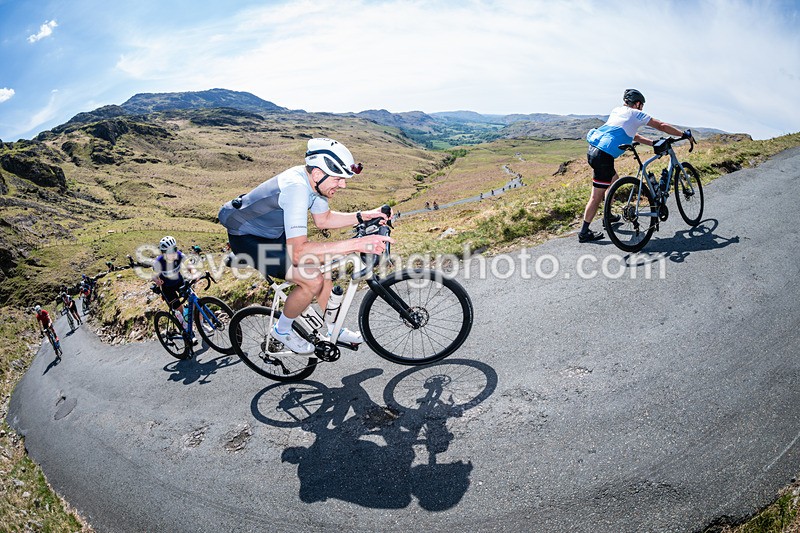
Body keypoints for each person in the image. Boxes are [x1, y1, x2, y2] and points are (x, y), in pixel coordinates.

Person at [218, 137, 393, 354]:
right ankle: (282, 330)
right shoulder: (296, 188)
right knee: (312, 280)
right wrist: (357, 243)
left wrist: (365, 215)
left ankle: (333, 330)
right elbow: (299, 252)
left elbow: (324, 220)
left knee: (323, 269)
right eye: (338, 179)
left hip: (272, 233)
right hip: (247, 240)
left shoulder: (314, 184)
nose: (343, 185)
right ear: (318, 174)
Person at [580, 89, 691, 243]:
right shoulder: (636, 113)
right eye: (642, 105)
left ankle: (608, 216)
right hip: (603, 155)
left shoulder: (618, 110)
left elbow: (633, 135)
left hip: (594, 149)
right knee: (596, 196)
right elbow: (661, 125)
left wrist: (652, 143)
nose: (642, 108)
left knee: (614, 180)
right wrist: (683, 134)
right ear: (638, 104)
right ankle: (584, 233)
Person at [152, 236, 199, 343]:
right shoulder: (158, 262)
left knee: (196, 300)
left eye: (174, 249)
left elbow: (190, 265)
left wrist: (194, 273)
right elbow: (153, 276)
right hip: (167, 288)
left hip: (179, 282)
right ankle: (188, 332)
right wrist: (157, 281)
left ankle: (202, 325)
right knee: (179, 309)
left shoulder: (179, 255)